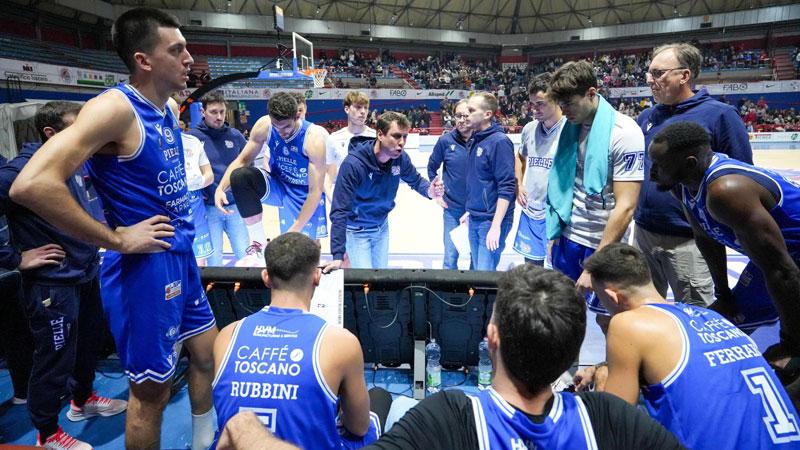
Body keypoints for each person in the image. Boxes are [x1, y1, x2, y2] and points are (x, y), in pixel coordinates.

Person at [10, 9, 218, 449]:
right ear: (143, 60)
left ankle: (204, 444)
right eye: (177, 50)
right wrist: (117, 238)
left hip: (179, 255)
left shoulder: (167, 107)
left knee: (206, 355)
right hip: (144, 269)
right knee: (152, 393)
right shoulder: (114, 109)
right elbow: (31, 184)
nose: (189, 58)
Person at [359, 265, 683, 449]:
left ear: (492, 337)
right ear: (574, 351)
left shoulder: (449, 416)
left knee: (391, 403)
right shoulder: (608, 416)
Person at [581, 243, 800, 449]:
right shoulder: (711, 316)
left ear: (613, 297)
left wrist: (600, 384)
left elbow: (615, 426)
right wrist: (607, 366)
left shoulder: (627, 323)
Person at [0, 101, 127, 449]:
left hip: (84, 272)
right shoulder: (21, 171)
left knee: (87, 346)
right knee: (55, 359)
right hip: (51, 285)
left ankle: (82, 401)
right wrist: (14, 258)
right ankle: (47, 434)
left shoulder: (74, 160)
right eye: (77, 127)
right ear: (50, 133)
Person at [648, 120, 800, 397]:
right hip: (782, 257)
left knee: (788, 368)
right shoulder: (681, 184)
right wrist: (724, 294)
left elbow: (783, 271)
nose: (651, 172)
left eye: (659, 165)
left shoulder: (726, 190)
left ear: (690, 163)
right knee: (722, 322)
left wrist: (790, 344)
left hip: (786, 261)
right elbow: (706, 238)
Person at [211, 232, 387, 449]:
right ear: (317, 277)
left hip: (238, 444)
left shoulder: (227, 335)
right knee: (376, 407)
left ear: (266, 277)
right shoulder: (341, 343)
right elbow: (358, 427)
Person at [634, 42, 752, 307]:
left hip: (691, 241)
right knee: (645, 313)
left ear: (684, 75)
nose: (650, 80)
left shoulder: (721, 116)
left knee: (696, 315)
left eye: (658, 73)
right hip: (643, 234)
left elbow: (743, 178)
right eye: (649, 73)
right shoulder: (646, 117)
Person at [546, 60, 645, 316]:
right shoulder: (569, 127)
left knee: (608, 320)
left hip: (603, 244)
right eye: (560, 104)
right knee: (564, 315)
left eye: (569, 103)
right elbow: (564, 185)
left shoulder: (625, 132)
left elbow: (626, 206)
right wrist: (555, 235)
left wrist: (594, 265)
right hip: (568, 238)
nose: (564, 111)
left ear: (591, 93)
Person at [215, 92, 329, 267]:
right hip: (278, 185)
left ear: (297, 115)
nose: (281, 132)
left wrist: (293, 231)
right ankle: (258, 245)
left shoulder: (313, 139)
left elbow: (315, 192)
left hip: (304, 193)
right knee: (240, 176)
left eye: (287, 127)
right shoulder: (264, 126)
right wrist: (220, 188)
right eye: (277, 127)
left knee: (300, 254)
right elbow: (242, 160)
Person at [323, 111, 442, 271]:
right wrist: (338, 255)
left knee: (381, 278)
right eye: (396, 136)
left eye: (405, 137)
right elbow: (339, 211)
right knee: (366, 280)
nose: (402, 142)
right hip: (357, 232)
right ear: (380, 134)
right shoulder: (353, 165)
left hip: (381, 227)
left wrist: (429, 191)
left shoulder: (400, 158)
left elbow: (416, 180)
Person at [186, 91, 250, 266]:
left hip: (236, 207)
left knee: (246, 258)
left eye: (222, 112)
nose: (219, 117)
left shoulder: (236, 136)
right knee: (214, 262)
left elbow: (248, 165)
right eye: (214, 112)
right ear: (202, 112)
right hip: (208, 210)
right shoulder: (192, 138)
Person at [513, 73, 566, 266]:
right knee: (531, 271)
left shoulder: (570, 130)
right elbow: (520, 157)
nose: (534, 109)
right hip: (531, 212)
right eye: (532, 103)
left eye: (540, 104)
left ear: (557, 100)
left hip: (557, 217)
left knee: (557, 273)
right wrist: (519, 184)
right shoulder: (529, 128)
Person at [462, 92, 515, 271]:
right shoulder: (475, 140)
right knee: (477, 272)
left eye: (471, 110)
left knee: (484, 274)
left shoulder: (500, 142)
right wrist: (470, 209)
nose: (466, 115)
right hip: (475, 217)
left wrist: (496, 225)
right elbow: (478, 181)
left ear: (487, 114)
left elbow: (507, 187)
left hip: (491, 220)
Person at [426, 99, 471, 269]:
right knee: (450, 257)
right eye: (458, 116)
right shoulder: (445, 141)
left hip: (477, 211)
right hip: (452, 209)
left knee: (477, 258)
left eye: (465, 116)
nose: (461, 120)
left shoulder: (482, 140)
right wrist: (437, 192)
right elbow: (432, 167)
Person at [170, 100, 215, 266]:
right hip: (167, 207)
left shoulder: (193, 142)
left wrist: (199, 181)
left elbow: (209, 175)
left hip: (194, 204)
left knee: (199, 260)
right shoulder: (151, 142)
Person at [325, 91, 376, 201]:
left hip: (371, 203)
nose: (363, 112)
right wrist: (333, 200)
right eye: (358, 107)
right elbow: (328, 174)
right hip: (344, 200)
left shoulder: (376, 138)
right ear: (347, 109)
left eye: (366, 108)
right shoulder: (333, 139)